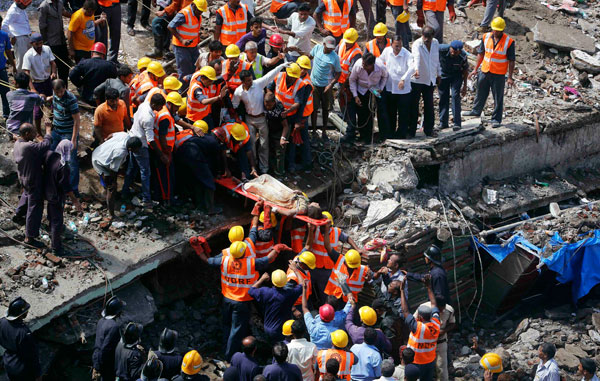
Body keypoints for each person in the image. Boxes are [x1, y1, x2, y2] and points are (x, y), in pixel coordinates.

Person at [195, 239, 288, 361]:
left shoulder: (225, 260)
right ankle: (230, 356)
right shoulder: (250, 263)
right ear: (243, 253)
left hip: (227, 299)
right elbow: (268, 259)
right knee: (237, 330)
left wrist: (198, 248)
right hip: (241, 303)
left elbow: (208, 260)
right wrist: (277, 248)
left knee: (227, 325)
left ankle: (225, 348)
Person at [232, 63, 286, 174]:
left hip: (262, 119)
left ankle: (264, 168)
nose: (250, 82)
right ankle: (254, 167)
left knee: (264, 144)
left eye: (251, 79)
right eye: (248, 80)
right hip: (249, 119)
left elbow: (270, 75)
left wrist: (282, 65)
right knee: (251, 144)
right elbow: (234, 105)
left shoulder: (257, 84)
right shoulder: (238, 92)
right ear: (242, 81)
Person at [464, 17, 515, 128]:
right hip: (485, 70)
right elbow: (481, 54)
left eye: (498, 30)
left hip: (498, 74)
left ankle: (496, 119)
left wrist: (510, 77)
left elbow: (511, 60)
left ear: (502, 30)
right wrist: (475, 69)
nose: (496, 32)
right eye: (494, 29)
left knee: (498, 96)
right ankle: (476, 110)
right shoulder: (486, 37)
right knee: (480, 92)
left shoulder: (509, 42)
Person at [13, 123, 52, 247]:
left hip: (23, 177)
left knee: (26, 194)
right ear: (26, 134)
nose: (36, 134)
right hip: (33, 179)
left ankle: (18, 214)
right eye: (34, 132)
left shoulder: (18, 143)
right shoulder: (29, 146)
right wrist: (48, 131)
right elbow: (46, 144)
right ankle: (29, 237)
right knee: (35, 207)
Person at [267, 63, 310, 173]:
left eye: (294, 77)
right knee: (272, 138)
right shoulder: (279, 76)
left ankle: (287, 165)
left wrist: (288, 111)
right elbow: (269, 89)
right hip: (275, 113)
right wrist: (272, 102)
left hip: (289, 115)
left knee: (288, 141)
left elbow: (298, 103)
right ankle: (272, 164)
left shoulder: (300, 84)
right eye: (291, 76)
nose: (292, 79)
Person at [43, 140, 82, 256]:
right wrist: (75, 201)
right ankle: (56, 247)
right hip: (57, 195)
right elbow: (66, 186)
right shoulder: (63, 166)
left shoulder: (50, 156)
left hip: (47, 190)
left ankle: (51, 229)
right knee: (57, 221)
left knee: (52, 213)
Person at [92, 133, 143, 217]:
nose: (138, 151)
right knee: (111, 188)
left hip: (101, 152)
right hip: (99, 161)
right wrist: (113, 183)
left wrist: (106, 144)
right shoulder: (120, 153)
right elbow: (113, 170)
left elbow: (110, 135)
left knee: (111, 183)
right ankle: (111, 213)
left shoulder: (125, 135)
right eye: (136, 149)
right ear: (130, 149)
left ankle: (106, 193)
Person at [400, 275, 440, 381]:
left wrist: (402, 290)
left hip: (416, 361)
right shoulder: (436, 323)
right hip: (430, 361)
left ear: (420, 317)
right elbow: (434, 304)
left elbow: (405, 311)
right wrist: (428, 287)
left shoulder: (417, 327)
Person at [249, 269, 302, 342]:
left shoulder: (265, 292)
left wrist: (262, 279)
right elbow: (302, 285)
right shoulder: (290, 293)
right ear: (285, 281)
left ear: (272, 281)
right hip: (285, 329)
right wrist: (296, 270)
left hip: (268, 328)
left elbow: (251, 290)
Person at [347, 51, 387, 144]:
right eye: (363, 63)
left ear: (372, 64)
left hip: (375, 89)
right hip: (362, 89)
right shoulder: (358, 65)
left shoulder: (380, 67)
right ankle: (364, 137)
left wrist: (381, 88)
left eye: (365, 65)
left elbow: (385, 77)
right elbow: (352, 80)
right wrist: (355, 95)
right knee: (362, 113)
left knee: (381, 111)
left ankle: (382, 136)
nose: (363, 66)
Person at [49, 79, 81, 195]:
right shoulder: (54, 94)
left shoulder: (71, 99)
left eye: (62, 91)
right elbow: (54, 102)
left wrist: (73, 139)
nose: (60, 94)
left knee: (71, 161)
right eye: (57, 92)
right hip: (56, 130)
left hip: (68, 132)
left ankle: (73, 189)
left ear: (65, 88)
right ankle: (54, 182)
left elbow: (77, 120)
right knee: (51, 155)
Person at [414, 294, 455, 381]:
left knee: (442, 368)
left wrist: (443, 331)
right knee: (424, 368)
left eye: (443, 308)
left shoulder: (449, 310)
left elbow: (452, 323)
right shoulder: (423, 308)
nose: (442, 311)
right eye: (440, 309)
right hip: (424, 345)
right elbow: (413, 323)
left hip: (440, 343)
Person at [22, 33, 57, 135]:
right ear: (32, 43)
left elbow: (53, 63)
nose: (39, 46)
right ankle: (38, 132)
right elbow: (26, 73)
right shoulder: (28, 55)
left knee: (54, 105)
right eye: (37, 44)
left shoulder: (47, 49)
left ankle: (51, 124)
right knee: (38, 111)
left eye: (41, 43)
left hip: (47, 81)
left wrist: (54, 72)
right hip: (36, 83)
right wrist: (32, 89)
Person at [168, 0, 207, 90]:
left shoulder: (197, 15)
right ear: (193, 5)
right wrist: (182, 40)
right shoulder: (184, 14)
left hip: (193, 46)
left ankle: (192, 88)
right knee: (184, 70)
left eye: (201, 11)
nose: (200, 13)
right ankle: (182, 91)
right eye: (199, 10)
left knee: (196, 67)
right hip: (181, 47)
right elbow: (170, 26)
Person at [409, 26, 440, 138]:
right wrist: (416, 70)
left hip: (430, 79)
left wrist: (439, 74)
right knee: (413, 106)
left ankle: (428, 130)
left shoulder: (435, 43)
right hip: (417, 79)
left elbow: (436, 60)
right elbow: (416, 58)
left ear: (433, 37)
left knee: (429, 105)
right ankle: (411, 130)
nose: (426, 39)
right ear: (422, 35)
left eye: (429, 37)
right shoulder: (417, 44)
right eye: (425, 37)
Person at [0, 297, 41, 381]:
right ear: (21, 314)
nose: (27, 312)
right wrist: (37, 375)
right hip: (22, 369)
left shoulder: (2, 322)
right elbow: (32, 357)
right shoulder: (24, 333)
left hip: (8, 362)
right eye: (25, 311)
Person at [308, 36, 341, 140]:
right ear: (323, 44)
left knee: (326, 109)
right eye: (328, 47)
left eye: (332, 47)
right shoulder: (317, 48)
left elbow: (338, 73)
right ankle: (313, 131)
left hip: (326, 86)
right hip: (314, 84)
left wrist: (330, 85)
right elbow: (310, 57)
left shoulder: (334, 57)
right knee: (314, 108)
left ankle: (324, 131)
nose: (330, 49)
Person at [336, 28, 362, 144]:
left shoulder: (357, 53)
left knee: (349, 105)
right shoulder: (342, 42)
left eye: (349, 42)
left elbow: (351, 74)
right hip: (340, 80)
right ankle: (345, 117)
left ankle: (351, 132)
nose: (347, 43)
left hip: (349, 83)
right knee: (341, 102)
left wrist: (343, 87)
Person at [92, 296, 124, 381]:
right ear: (118, 313)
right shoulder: (114, 327)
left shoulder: (101, 321)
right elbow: (105, 349)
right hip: (106, 362)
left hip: (96, 357)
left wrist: (96, 365)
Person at [38, 0, 72, 83]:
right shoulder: (44, 6)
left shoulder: (60, 3)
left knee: (64, 67)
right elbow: (42, 26)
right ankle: (52, 90)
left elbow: (64, 12)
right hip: (51, 43)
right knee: (51, 69)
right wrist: (45, 42)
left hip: (61, 41)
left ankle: (64, 89)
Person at [438, 40, 468, 131]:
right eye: (452, 50)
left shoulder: (462, 56)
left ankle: (457, 123)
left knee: (455, 96)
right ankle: (443, 123)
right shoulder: (441, 49)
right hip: (443, 75)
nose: (453, 52)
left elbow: (465, 71)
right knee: (443, 97)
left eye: (456, 52)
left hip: (456, 76)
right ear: (450, 47)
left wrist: (465, 86)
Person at [2, 0, 32, 71]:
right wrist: (12, 36)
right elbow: (4, 26)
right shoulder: (13, 11)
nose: (26, 6)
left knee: (29, 61)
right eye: (25, 5)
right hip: (19, 39)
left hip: (26, 37)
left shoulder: (21, 8)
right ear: (19, 2)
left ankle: (28, 80)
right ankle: (20, 80)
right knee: (22, 63)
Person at [263, 92, 289, 175]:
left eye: (270, 106)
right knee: (270, 150)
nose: (268, 107)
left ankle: (279, 172)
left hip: (280, 131)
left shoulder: (280, 109)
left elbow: (286, 126)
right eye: (266, 105)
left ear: (274, 102)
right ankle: (271, 169)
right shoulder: (264, 104)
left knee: (279, 152)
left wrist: (283, 138)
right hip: (270, 128)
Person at [0, 15, 16, 121]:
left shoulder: (4, 35)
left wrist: (14, 66)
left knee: (6, 94)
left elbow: (8, 52)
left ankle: (7, 116)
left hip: (1, 70)